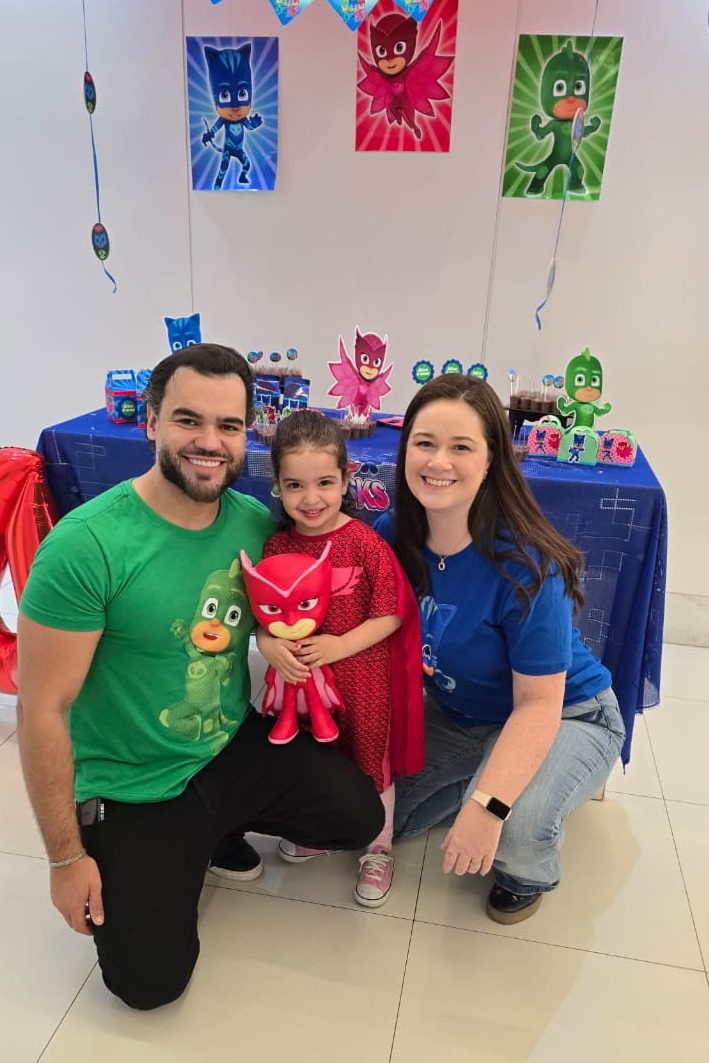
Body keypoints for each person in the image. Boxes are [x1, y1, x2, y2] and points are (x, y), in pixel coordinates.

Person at [16, 345, 384, 1009]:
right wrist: (66, 859)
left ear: (248, 435)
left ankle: (214, 831)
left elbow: (301, 593)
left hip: (227, 746)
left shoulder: (253, 523)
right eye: (189, 420)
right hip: (132, 782)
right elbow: (42, 709)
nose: (210, 442)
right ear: (150, 421)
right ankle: (187, 838)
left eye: (229, 425)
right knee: (147, 984)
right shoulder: (85, 547)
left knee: (356, 814)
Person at [375, 373, 625, 924]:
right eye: (424, 442)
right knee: (375, 816)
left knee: (512, 830)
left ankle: (527, 850)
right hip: (464, 712)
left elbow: (539, 703)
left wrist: (489, 807)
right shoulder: (396, 531)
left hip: (568, 712)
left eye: (461, 447)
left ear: (491, 459)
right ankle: (495, 771)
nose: (439, 461)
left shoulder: (526, 565)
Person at [249, 410, 423, 908]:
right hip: (303, 688)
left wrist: (339, 646)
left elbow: (391, 614)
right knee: (316, 763)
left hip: (364, 682)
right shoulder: (276, 546)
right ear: (277, 486)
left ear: (346, 480)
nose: (311, 498)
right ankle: (324, 831)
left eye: (324, 482)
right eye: (295, 485)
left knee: (371, 763)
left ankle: (379, 848)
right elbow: (264, 614)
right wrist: (267, 644)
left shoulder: (365, 543)